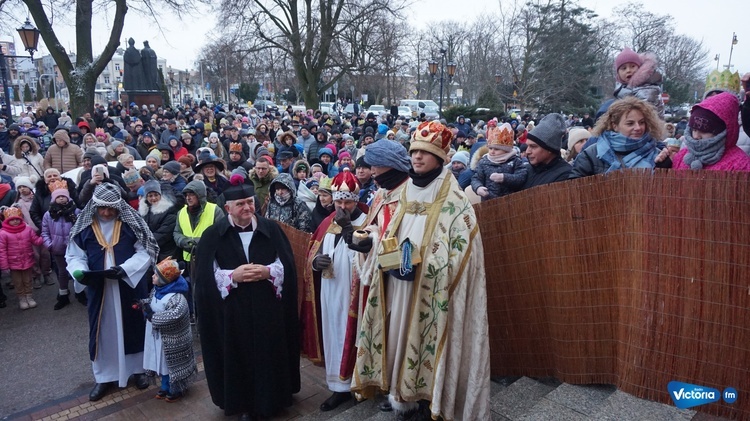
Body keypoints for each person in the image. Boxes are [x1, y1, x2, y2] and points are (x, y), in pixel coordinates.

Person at [351, 120, 491, 420]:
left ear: (441, 158)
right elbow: (390, 234)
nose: (417, 157)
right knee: (398, 338)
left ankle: (429, 402)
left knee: (424, 340)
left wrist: (424, 270)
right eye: (414, 151)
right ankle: (401, 396)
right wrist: (376, 249)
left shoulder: (455, 201)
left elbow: (465, 256)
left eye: (424, 153)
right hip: (397, 285)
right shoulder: (402, 193)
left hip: (432, 292)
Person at [193, 182, 300, 420]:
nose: (247, 207)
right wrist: (233, 276)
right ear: (228, 208)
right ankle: (244, 403)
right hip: (232, 312)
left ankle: (276, 397)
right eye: (240, 204)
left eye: (250, 202)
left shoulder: (271, 228)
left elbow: (288, 265)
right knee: (238, 355)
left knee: (269, 352)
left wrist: (268, 272)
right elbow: (205, 277)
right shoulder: (213, 235)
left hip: (268, 308)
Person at [66, 183, 160, 401]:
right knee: (101, 332)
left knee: (134, 326)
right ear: (95, 206)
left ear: (119, 207)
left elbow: (146, 250)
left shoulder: (130, 223)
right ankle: (104, 377)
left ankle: (138, 371)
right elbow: (74, 255)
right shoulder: (85, 227)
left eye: (111, 208)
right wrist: (79, 271)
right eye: (102, 208)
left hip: (129, 285)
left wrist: (125, 269)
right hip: (100, 291)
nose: (107, 213)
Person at [301, 170, 368, 411]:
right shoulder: (327, 222)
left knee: (356, 336)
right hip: (330, 291)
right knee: (333, 336)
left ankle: (359, 384)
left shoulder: (368, 220)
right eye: (338, 201)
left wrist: (348, 227)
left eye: (347, 201)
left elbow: (368, 252)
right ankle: (338, 387)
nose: (341, 207)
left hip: (356, 293)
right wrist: (315, 263)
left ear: (356, 200)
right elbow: (313, 253)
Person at [570, 97, 669, 179]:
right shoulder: (591, 155)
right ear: (614, 126)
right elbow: (575, 191)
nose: (638, 128)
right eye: (630, 123)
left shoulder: (657, 155)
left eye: (641, 122)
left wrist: (664, 166)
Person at [142, 258, 196, 403]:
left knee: (172, 364)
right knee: (163, 363)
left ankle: (176, 388)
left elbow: (174, 315)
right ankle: (165, 386)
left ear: (165, 280)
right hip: (159, 338)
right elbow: (151, 302)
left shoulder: (177, 297)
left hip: (174, 340)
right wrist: (143, 305)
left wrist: (153, 317)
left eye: (156, 275)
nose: (152, 277)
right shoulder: (156, 290)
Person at [672, 92, 750, 171]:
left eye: (704, 131)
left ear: (721, 132)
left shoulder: (740, 165)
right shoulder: (680, 157)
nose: (696, 136)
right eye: (694, 130)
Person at [0, 205, 44, 310]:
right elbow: (2, 250)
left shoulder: (27, 229)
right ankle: (22, 298)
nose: (15, 221)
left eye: (17, 219)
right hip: (13, 263)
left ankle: (29, 296)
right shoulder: (3, 233)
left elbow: (35, 240)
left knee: (28, 280)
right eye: (12, 219)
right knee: (18, 281)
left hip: (27, 260)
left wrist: (44, 237)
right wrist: (4, 265)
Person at [41, 186, 79, 310]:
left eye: (63, 196)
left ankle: (80, 292)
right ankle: (63, 294)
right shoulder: (49, 214)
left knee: (77, 271)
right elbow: (45, 231)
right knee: (62, 272)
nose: (61, 198)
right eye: (58, 196)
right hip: (58, 248)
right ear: (53, 199)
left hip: (74, 248)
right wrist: (49, 245)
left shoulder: (76, 211)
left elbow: (82, 228)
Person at [471, 122, 528, 200]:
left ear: (506, 150)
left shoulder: (515, 161)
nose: (492, 151)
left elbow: (521, 177)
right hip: (489, 203)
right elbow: (476, 178)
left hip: (511, 202)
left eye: (497, 149)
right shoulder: (484, 161)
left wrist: (504, 178)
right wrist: (478, 187)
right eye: (490, 148)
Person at [522, 113, 574, 189]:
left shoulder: (565, 175)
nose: (527, 151)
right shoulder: (526, 170)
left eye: (533, 146)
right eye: (528, 146)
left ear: (549, 148)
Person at [612, 47, 664, 118]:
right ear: (618, 73)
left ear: (639, 68)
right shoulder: (622, 89)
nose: (628, 70)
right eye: (624, 68)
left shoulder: (648, 89)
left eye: (632, 66)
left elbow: (646, 116)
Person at [139, 180, 181, 260]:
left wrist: (144, 243)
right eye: (150, 196)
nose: (153, 198)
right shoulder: (144, 212)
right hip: (152, 252)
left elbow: (163, 234)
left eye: (156, 195)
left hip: (167, 254)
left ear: (160, 195)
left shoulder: (169, 210)